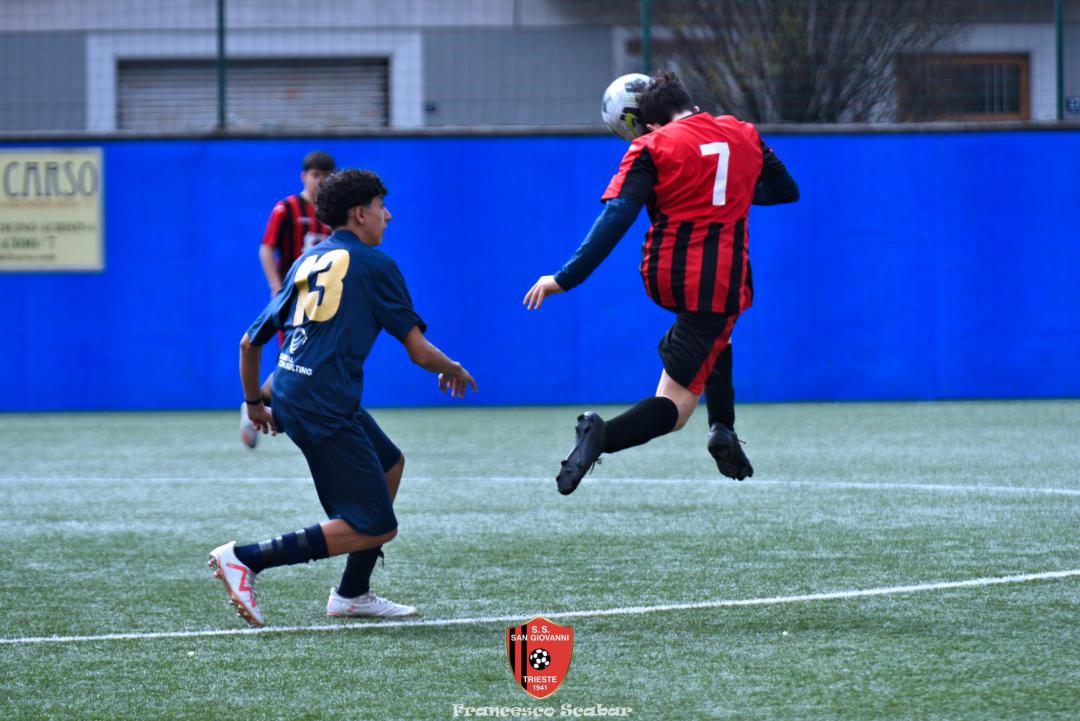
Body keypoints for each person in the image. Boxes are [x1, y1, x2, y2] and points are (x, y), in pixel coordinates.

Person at [211, 169, 478, 626]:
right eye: (381, 207)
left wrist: (255, 403)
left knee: (391, 466)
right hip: (322, 402)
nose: (387, 216)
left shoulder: (307, 259)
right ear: (359, 214)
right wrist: (452, 367)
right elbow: (418, 352)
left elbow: (249, 343)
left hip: (298, 390)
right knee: (378, 526)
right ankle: (246, 559)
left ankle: (352, 593)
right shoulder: (376, 266)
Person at [523, 71, 799, 495]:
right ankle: (601, 436)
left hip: (665, 273)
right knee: (676, 406)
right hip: (716, 283)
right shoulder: (743, 133)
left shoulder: (651, 146)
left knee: (714, 339)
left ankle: (722, 427)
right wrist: (731, 190)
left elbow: (618, 214)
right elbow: (785, 189)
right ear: (688, 102)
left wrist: (566, 276)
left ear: (651, 123)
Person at [242, 150, 336, 448]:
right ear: (304, 176)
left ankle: (260, 404)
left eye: (327, 176)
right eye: (316, 175)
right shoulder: (286, 209)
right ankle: (256, 405)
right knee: (294, 358)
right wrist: (275, 286)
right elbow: (266, 248)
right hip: (293, 299)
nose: (321, 181)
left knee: (314, 358)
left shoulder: (333, 215)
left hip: (323, 301)